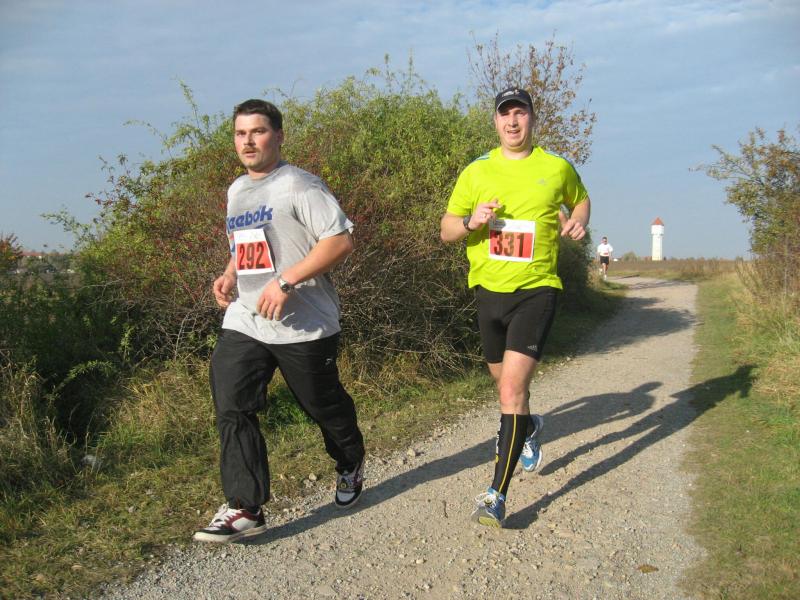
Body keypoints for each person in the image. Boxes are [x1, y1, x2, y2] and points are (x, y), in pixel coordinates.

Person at [194, 99, 366, 543]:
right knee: (232, 402)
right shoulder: (237, 190)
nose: (248, 141)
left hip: (304, 323)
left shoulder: (298, 185)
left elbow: (340, 242)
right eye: (240, 133)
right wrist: (230, 275)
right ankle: (245, 506)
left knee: (322, 405)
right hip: (247, 318)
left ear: (279, 136)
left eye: (258, 131)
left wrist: (286, 281)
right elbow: (246, 245)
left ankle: (350, 460)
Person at [440, 87, 590, 528]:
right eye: (504, 114)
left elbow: (580, 199)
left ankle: (495, 496)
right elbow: (447, 230)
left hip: (536, 290)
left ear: (531, 119)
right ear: (495, 121)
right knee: (503, 383)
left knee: (510, 390)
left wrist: (578, 220)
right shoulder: (476, 171)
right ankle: (529, 426)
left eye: (519, 113)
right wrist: (471, 221)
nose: (512, 121)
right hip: (488, 292)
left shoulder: (556, 167)